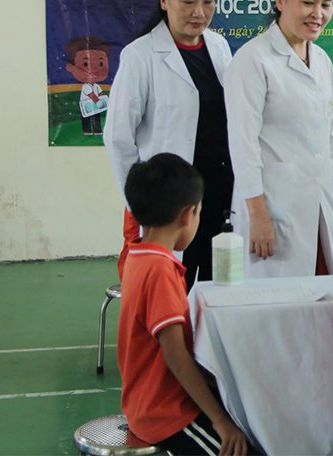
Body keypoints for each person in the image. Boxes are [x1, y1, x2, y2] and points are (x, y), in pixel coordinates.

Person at [104, 0, 234, 289]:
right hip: (168, 200)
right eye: (188, 1)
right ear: (164, 0)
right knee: (171, 287)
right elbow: (118, 138)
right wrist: (140, 202)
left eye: (208, 2)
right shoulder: (140, 56)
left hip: (219, 194)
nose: (199, 12)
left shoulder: (219, 47)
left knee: (216, 282)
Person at [225, 0, 333, 277]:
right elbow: (243, 145)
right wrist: (257, 216)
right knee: (276, 308)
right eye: (308, 2)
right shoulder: (253, 60)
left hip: (321, 206)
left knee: (324, 303)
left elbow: (331, 139)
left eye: (326, 4)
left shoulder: (321, 60)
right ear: (281, 1)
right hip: (273, 208)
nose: (318, 14)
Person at [118, 153, 254, 455]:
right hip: (166, 414)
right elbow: (175, 357)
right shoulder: (160, 270)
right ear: (186, 215)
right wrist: (220, 421)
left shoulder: (137, 257)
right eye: (199, 213)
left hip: (149, 402)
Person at [64, 36, 111, 136]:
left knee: (96, 118)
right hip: (87, 107)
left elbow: (100, 94)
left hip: (97, 107)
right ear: (70, 68)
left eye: (101, 63)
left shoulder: (97, 86)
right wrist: (98, 102)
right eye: (86, 64)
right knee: (86, 119)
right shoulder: (86, 86)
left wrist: (104, 101)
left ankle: (98, 131)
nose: (93, 67)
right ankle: (87, 131)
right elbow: (92, 95)